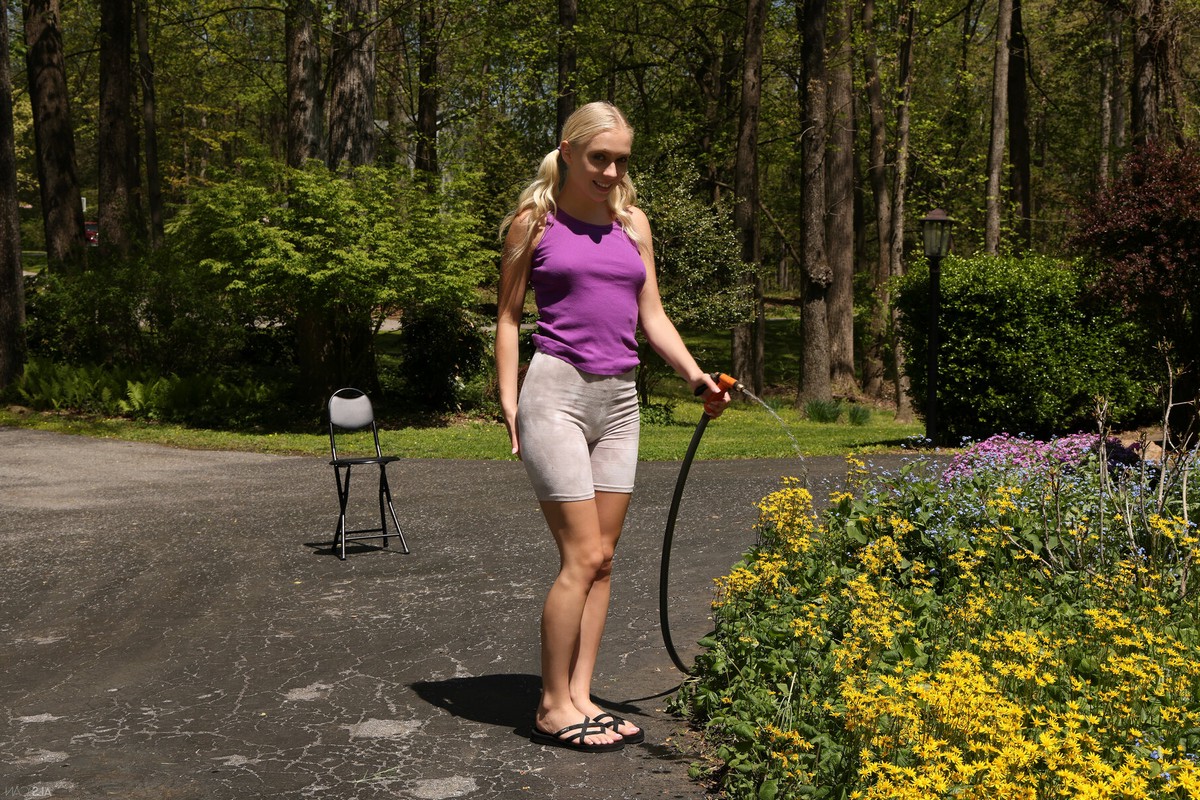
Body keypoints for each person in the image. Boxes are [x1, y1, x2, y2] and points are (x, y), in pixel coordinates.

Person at [495, 101, 731, 753]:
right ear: (568, 152)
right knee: (582, 556)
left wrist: (694, 376)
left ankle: (581, 695)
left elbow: (651, 315)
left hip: (620, 401)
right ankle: (550, 705)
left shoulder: (633, 224)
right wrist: (509, 400)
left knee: (605, 562)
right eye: (599, 157)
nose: (611, 170)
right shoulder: (534, 222)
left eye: (621, 159)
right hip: (556, 396)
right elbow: (509, 317)